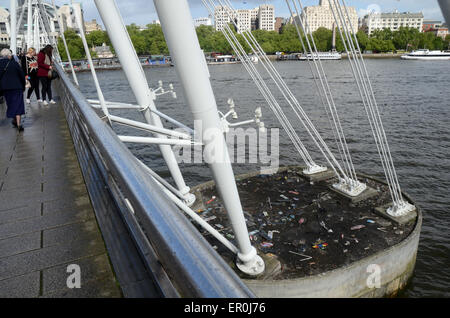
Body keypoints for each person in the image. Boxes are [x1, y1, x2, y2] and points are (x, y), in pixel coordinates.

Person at [0, 48, 26, 132]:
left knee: (11, 104)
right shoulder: (14, 64)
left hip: (5, 88)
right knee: (18, 104)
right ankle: (18, 123)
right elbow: (21, 75)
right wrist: (23, 86)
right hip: (17, 87)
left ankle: (14, 120)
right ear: (8, 55)